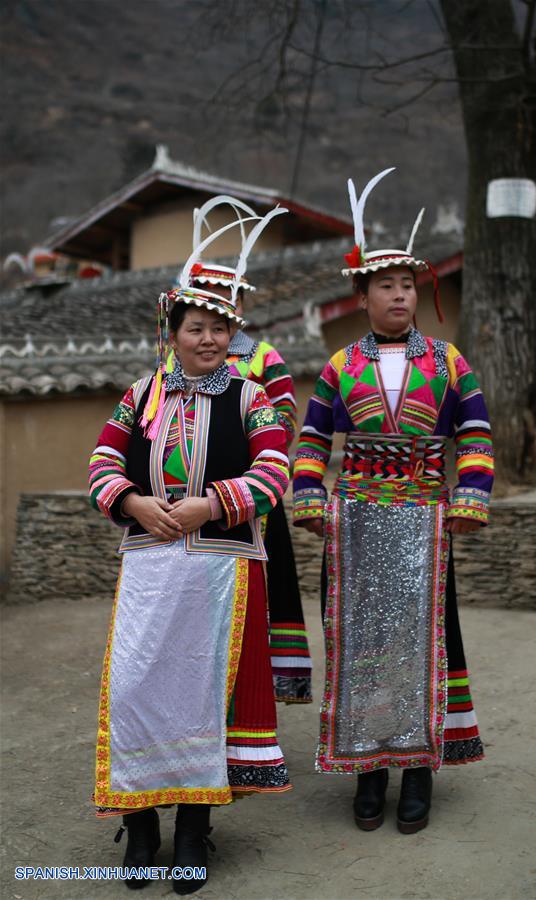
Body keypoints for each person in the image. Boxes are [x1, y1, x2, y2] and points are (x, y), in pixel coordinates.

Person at [88, 205, 291, 893]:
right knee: (140, 685)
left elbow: (275, 472)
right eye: (196, 328)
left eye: (220, 327)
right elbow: (101, 464)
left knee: (208, 696)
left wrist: (213, 502)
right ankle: (141, 820)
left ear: (234, 333)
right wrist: (132, 502)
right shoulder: (139, 395)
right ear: (171, 332)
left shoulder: (251, 396)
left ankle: (195, 829)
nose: (209, 339)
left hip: (221, 567)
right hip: (149, 563)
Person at [293, 168, 494, 834]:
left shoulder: (449, 361)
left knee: (424, 642)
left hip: (422, 522)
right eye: (387, 285)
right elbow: (313, 439)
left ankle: (418, 773)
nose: (400, 294)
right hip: (354, 525)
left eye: (408, 285)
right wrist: (310, 497)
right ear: (364, 295)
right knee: (364, 645)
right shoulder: (339, 367)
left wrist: (470, 491)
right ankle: (368, 770)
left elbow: (474, 431)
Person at [171, 196, 312, 704]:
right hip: (180, 507)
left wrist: (239, 480)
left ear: (238, 308)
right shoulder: (170, 366)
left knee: (254, 600)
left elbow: (283, 424)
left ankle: (252, 699)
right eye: (205, 295)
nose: (214, 304)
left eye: (224, 297)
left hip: (249, 504)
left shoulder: (264, 360)